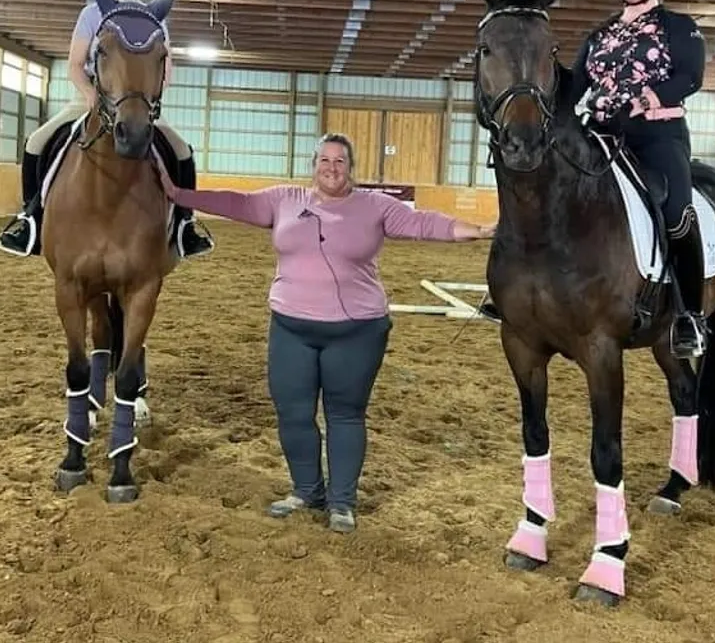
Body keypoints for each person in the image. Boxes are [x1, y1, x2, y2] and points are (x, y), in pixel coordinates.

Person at [155, 133, 495, 533]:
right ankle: (306, 491)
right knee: (294, 413)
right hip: (290, 328)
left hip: (356, 331)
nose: (332, 168)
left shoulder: (376, 206)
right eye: (325, 160)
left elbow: (425, 223)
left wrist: (478, 229)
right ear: (313, 164)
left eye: (340, 161)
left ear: (351, 167)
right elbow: (237, 203)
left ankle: (342, 502)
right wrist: (179, 194)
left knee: (345, 415)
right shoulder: (284, 200)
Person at [480, 0, 708, 359]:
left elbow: (690, 77)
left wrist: (649, 98)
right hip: (599, 134)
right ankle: (517, 291)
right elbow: (573, 85)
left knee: (677, 211)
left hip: (656, 137)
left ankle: (689, 316)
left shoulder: (679, 28)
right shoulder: (600, 34)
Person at [0, 0, 213, 260]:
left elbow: (166, 70)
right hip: (92, 99)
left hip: (137, 105)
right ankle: (31, 218)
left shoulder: (155, 19)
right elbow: (74, 64)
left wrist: (147, 101)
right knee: (36, 142)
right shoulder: (91, 14)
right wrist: (91, 98)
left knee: (181, 150)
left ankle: (185, 225)